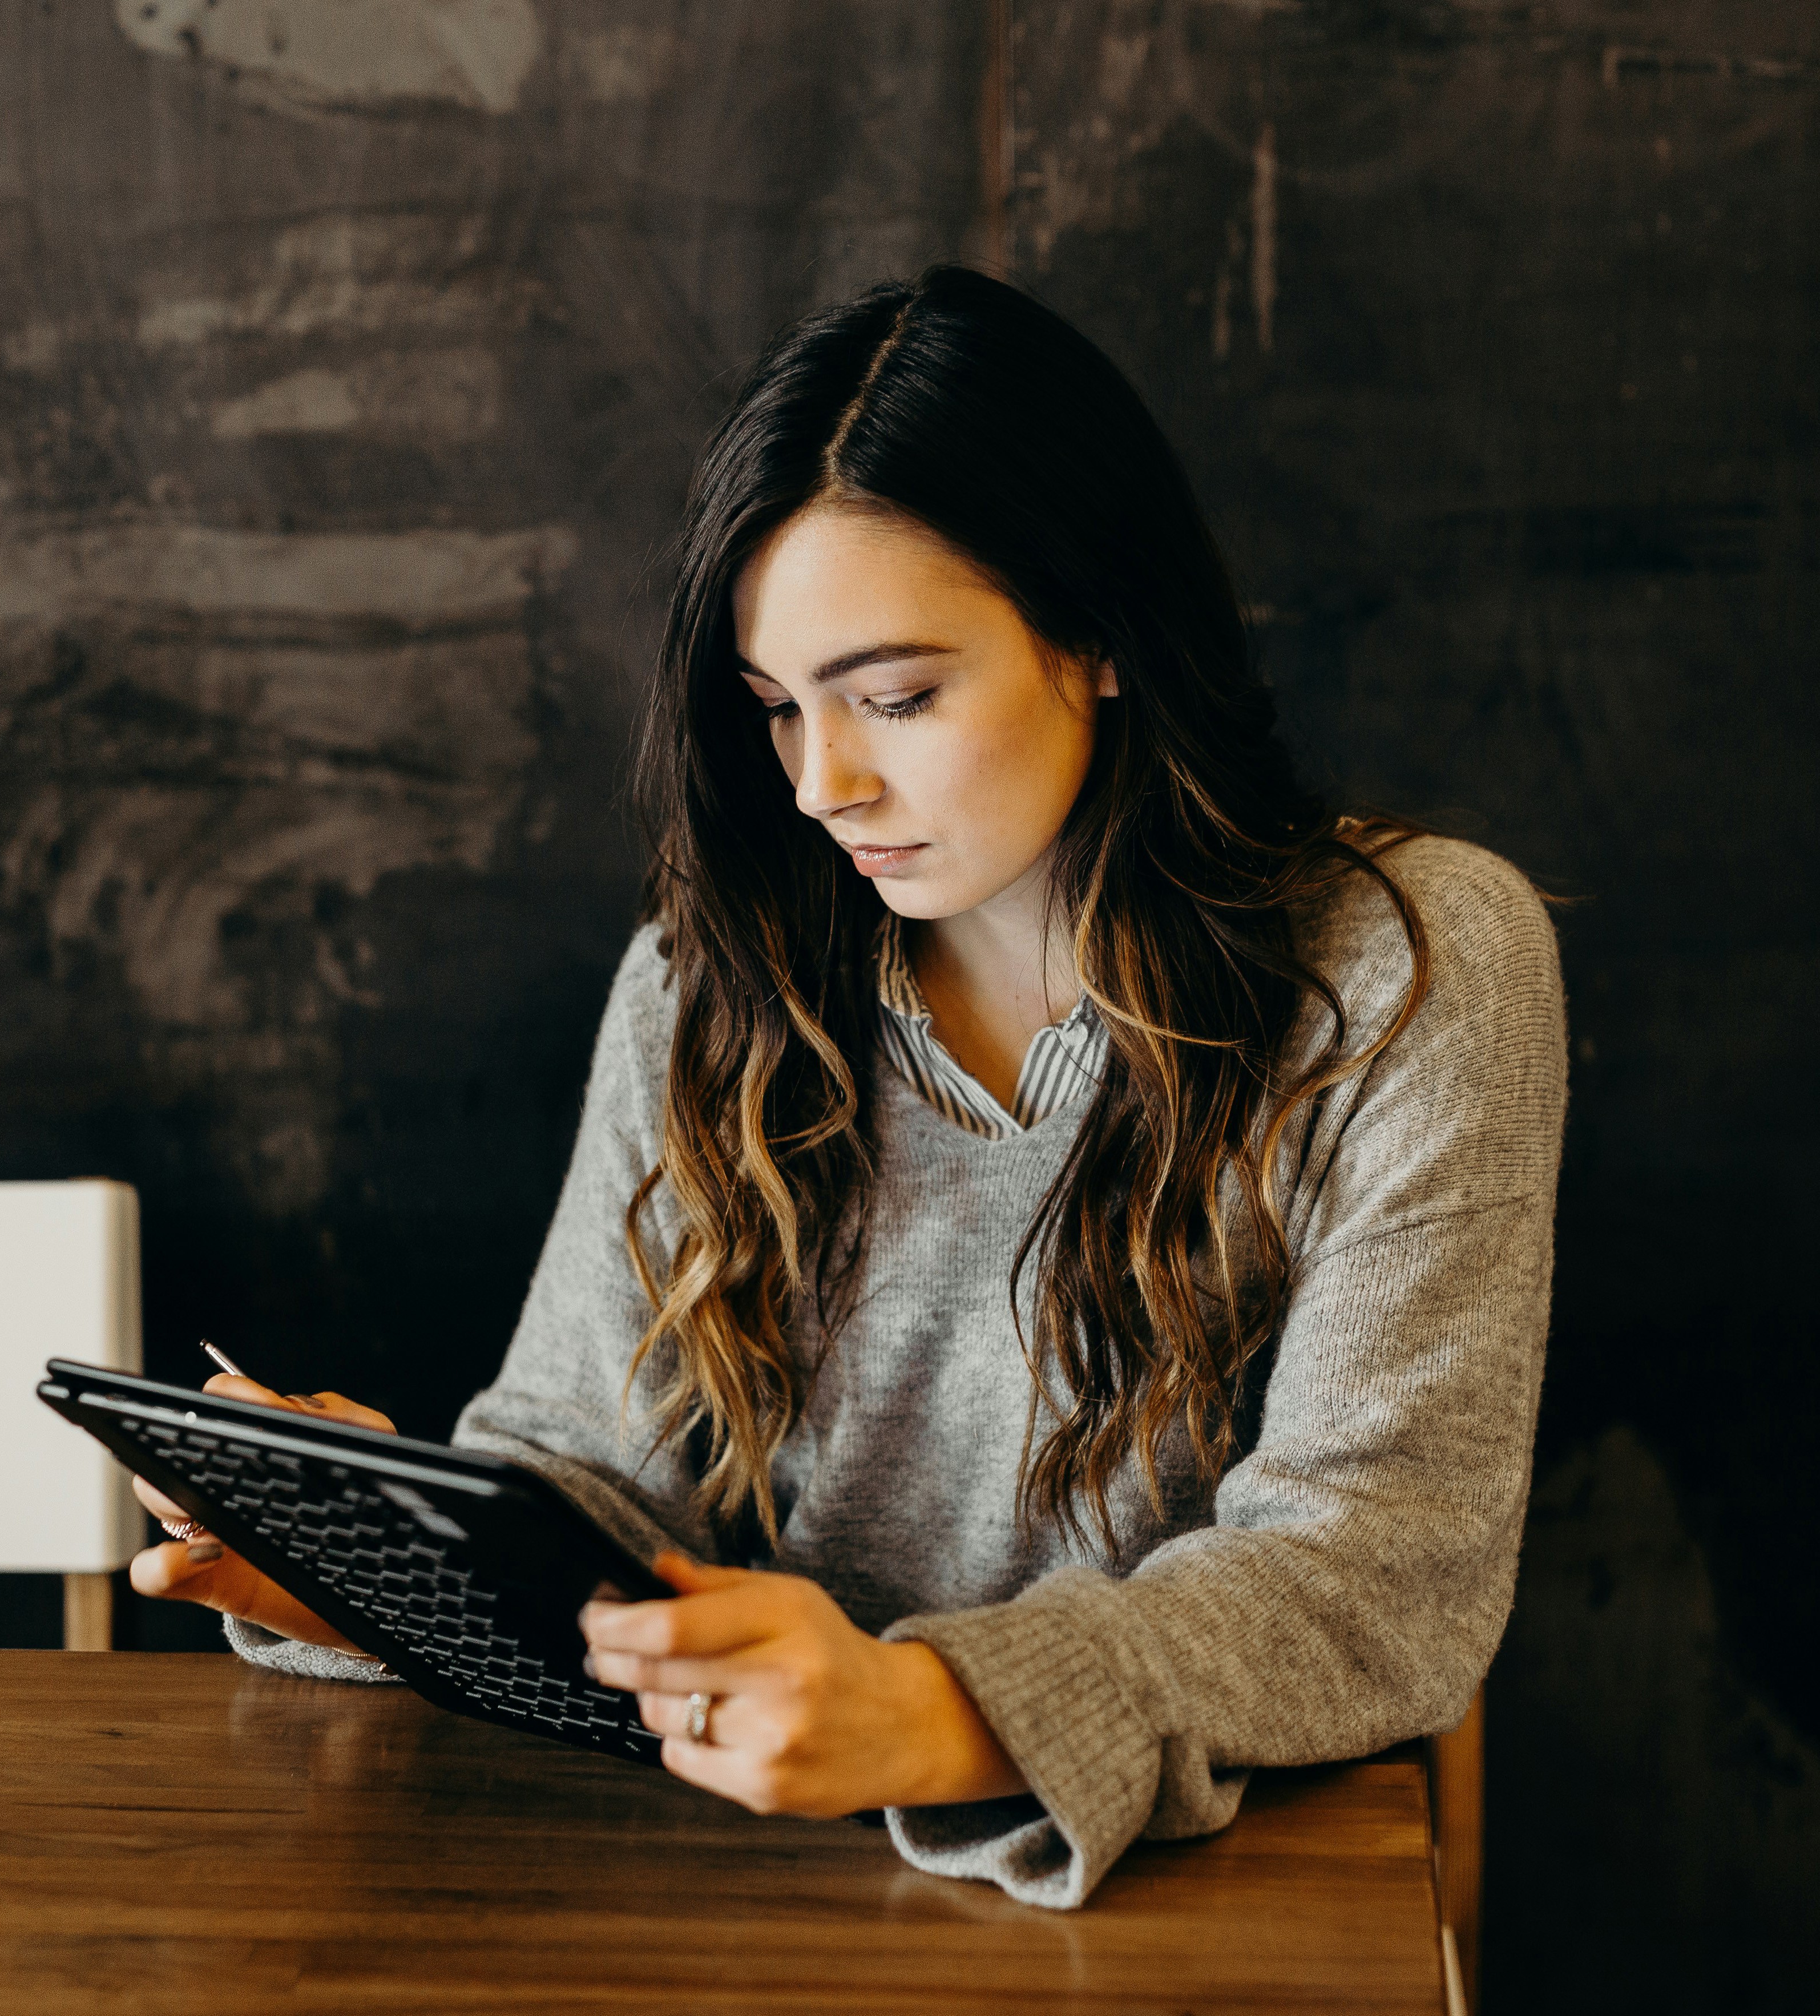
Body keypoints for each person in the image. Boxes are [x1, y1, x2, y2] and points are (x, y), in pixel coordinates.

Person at [127, 265, 1565, 1909]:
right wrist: (375, 1566)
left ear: (1098, 634)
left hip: (1223, 1901)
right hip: (759, 1892)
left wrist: (930, 1711)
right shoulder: (704, 980)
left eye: (895, 697)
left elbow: (1379, 1567)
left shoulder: (1407, 966)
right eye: (774, 712)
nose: (822, 785)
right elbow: (599, 1482)